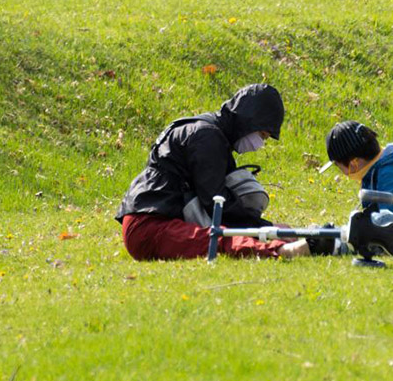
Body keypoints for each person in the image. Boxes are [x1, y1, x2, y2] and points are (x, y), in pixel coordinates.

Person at [116, 84, 311, 260]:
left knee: (217, 236)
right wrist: (266, 228)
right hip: (150, 226)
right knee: (217, 240)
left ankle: (284, 245)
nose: (260, 144)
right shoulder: (207, 137)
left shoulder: (210, 133)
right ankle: (283, 251)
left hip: (150, 219)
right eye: (261, 135)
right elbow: (217, 204)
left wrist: (264, 227)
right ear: (248, 122)